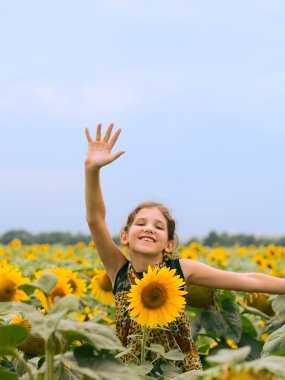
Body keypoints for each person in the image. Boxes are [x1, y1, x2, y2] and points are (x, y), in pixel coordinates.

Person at [85, 123, 285, 372]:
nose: (148, 229)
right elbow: (96, 220)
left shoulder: (180, 270)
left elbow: (246, 280)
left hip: (183, 374)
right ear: (124, 236)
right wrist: (91, 170)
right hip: (133, 373)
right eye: (141, 223)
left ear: (168, 243)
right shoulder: (118, 271)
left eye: (158, 227)